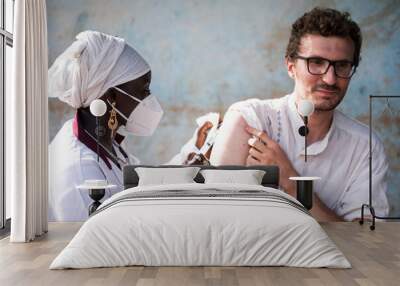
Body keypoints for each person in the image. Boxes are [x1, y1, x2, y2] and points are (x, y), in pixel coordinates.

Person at [209, 7, 389, 221]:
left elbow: (363, 245)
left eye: (341, 65)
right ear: (290, 66)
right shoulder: (249, 119)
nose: (330, 79)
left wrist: (291, 180)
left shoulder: (365, 147)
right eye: (316, 62)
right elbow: (217, 221)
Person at [48, 31, 163, 221]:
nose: (148, 99)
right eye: (144, 90)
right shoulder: (79, 171)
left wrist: (191, 154)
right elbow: (89, 241)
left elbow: (143, 181)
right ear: (111, 97)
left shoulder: (104, 139)